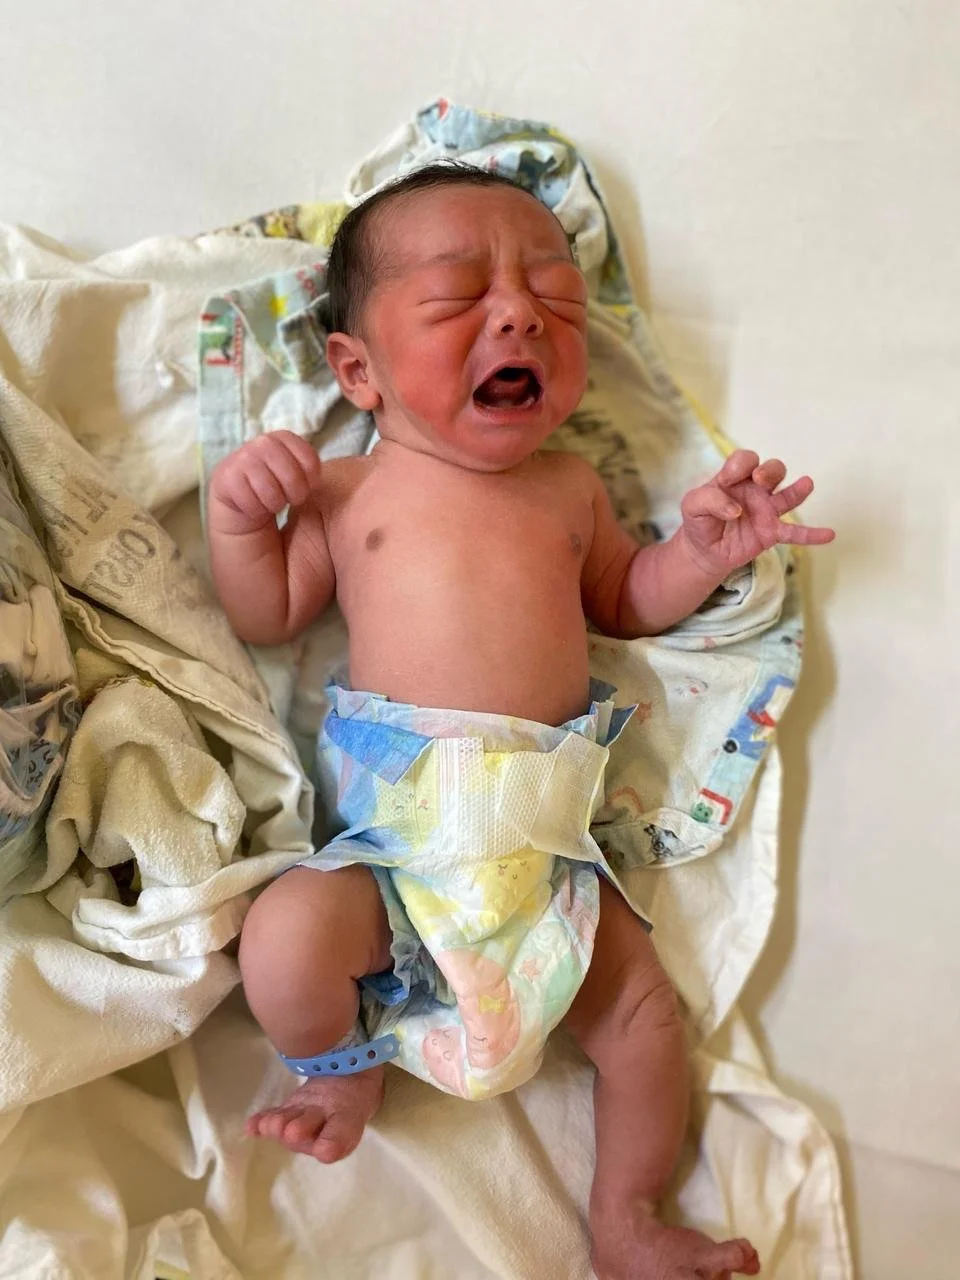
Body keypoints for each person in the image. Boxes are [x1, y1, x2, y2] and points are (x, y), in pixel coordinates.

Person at [207, 163, 833, 1280]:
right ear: (356, 370)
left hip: (551, 861)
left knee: (644, 1019)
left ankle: (627, 1214)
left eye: (556, 299)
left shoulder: (570, 489)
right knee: (284, 945)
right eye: (459, 297)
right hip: (392, 858)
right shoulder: (348, 495)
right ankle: (343, 1066)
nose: (521, 315)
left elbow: (624, 598)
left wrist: (701, 553)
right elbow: (267, 613)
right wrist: (241, 520)